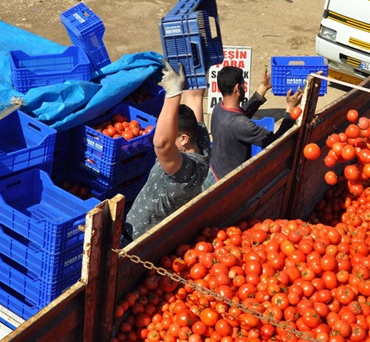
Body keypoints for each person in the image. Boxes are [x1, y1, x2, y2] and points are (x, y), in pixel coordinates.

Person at [123, 60, 211, 244]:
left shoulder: (186, 172)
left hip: (138, 241)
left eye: (173, 136)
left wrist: (172, 94)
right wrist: (196, 62)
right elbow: (194, 97)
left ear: (184, 139)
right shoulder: (200, 140)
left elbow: (162, 144)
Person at [201, 66, 303, 191]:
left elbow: (241, 114)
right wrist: (289, 110)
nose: (244, 87)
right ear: (237, 88)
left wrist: (263, 88)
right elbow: (276, 141)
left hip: (213, 174)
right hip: (227, 187)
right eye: (243, 85)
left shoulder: (219, 108)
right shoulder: (242, 125)